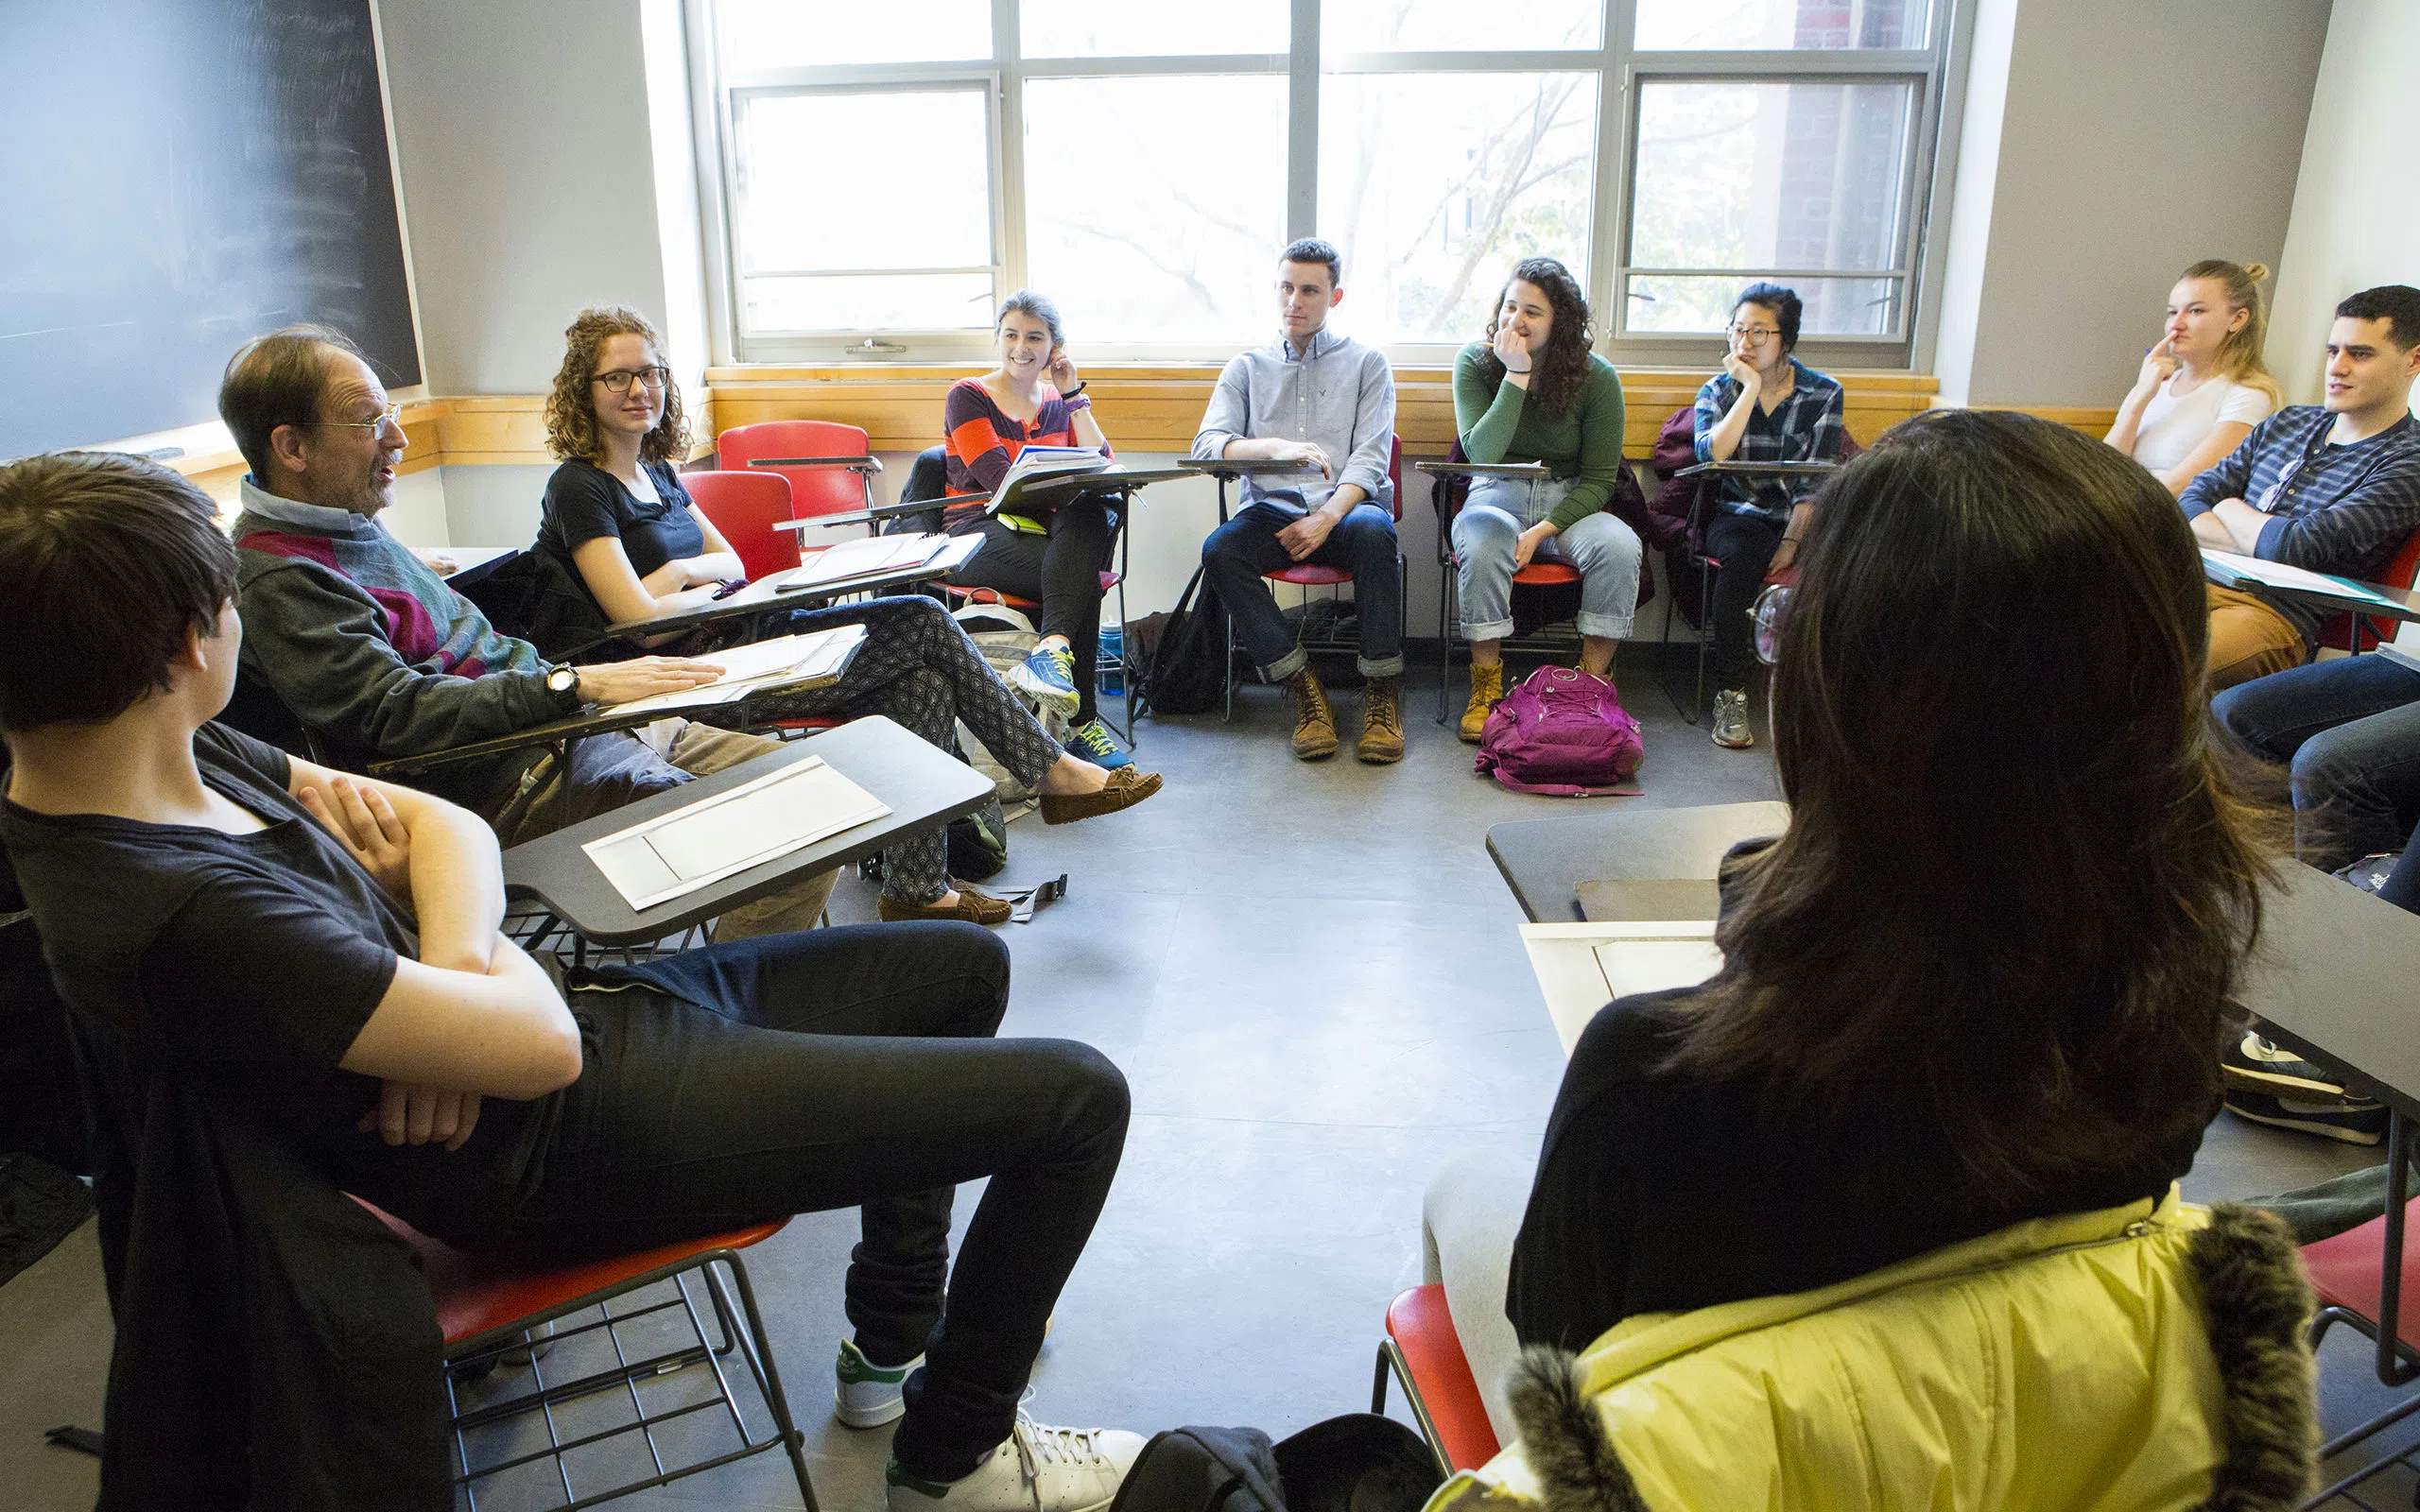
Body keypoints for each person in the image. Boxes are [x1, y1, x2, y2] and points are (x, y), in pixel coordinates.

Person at [0, 449, 1148, 1512]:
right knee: (1078, 1100)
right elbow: (535, 1046)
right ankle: (958, 1455)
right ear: (186, 647)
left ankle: (891, 1343)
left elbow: (446, 824)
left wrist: (451, 972)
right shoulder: (170, 907)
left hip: (576, 1035)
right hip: (559, 1144)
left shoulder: (177, 752)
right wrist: (473, 989)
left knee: (959, 966)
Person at [1422, 409, 2282, 1433]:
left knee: (1460, 1189)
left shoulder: (1653, 1081)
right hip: (2033, 1436)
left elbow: (1563, 1370)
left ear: (1846, 694)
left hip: (1715, 1462)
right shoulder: (2180, 999)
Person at [226, 324, 1160, 929]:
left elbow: (727, 567)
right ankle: (754, 1024)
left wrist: (659, 603)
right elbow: (399, 716)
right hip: (570, 736)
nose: (396, 439)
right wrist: (581, 679)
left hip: (614, 708)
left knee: (901, 689)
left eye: (651, 373)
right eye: (369, 423)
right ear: (292, 448)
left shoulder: (353, 530)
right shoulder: (288, 574)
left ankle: (913, 894)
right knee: (908, 636)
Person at [1195, 238, 1404, 764]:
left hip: (1348, 507)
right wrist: (1275, 447)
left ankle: (1382, 693)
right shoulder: (1247, 367)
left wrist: (1327, 519)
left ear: (1335, 297)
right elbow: (1207, 446)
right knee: (1220, 551)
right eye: (1286, 287)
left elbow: (1371, 459)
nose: (1295, 301)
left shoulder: (1367, 363)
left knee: (1378, 535)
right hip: (1273, 510)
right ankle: (1302, 686)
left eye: (1310, 290)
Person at [2179, 284, 2420, 689]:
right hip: (2189, 580)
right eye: (2332, 351)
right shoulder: (2289, 422)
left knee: (2153, 661)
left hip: (2271, 616)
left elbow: (2296, 546)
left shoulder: (2409, 458)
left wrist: (2228, 507)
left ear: (2414, 359)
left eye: (2359, 354)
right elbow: (2191, 499)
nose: (2337, 367)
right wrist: (2261, 538)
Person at [934, 292, 1131, 769]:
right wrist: (1066, 494)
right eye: (1012, 335)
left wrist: (1073, 395)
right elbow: (1003, 487)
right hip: (976, 531)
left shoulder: (1059, 406)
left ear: (1054, 348)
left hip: (1044, 533)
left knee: (1095, 507)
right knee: (1078, 572)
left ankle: (1052, 651)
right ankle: (1084, 725)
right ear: (998, 339)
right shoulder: (968, 396)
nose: (1021, 347)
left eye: (1035, 338)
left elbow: (1104, 467)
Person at [1448, 257, 1634, 743]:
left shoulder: (1599, 379)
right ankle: (1486, 683)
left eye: (1533, 311)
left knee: (1620, 546)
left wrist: (1541, 531)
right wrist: (1516, 374)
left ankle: (1591, 686)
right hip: (1495, 490)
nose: (1517, 320)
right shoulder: (1474, 361)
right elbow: (1481, 454)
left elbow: (1599, 481)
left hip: (1570, 501)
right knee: (1481, 540)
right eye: (1510, 307)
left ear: (1561, 322)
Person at [1689, 282, 1845, 749]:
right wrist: (1750, 387)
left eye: (1760, 332)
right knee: (1743, 552)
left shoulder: (1823, 393)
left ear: (1787, 340)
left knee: (1858, 554)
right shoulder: (1718, 389)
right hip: (1738, 514)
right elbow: (1712, 454)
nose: (1745, 342)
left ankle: (1831, 698)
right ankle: (1732, 693)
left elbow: (1816, 480)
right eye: (1739, 330)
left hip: (1803, 518)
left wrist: (1794, 541)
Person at [2105, 259, 2283, 496]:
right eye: (2172, 312)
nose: (2176, 325)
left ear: (2237, 319)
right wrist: (2140, 395)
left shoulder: (2248, 395)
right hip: (2122, 509)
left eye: (2196, 311)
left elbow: (2184, 486)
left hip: (2168, 519)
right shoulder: (2153, 385)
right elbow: (2101, 469)